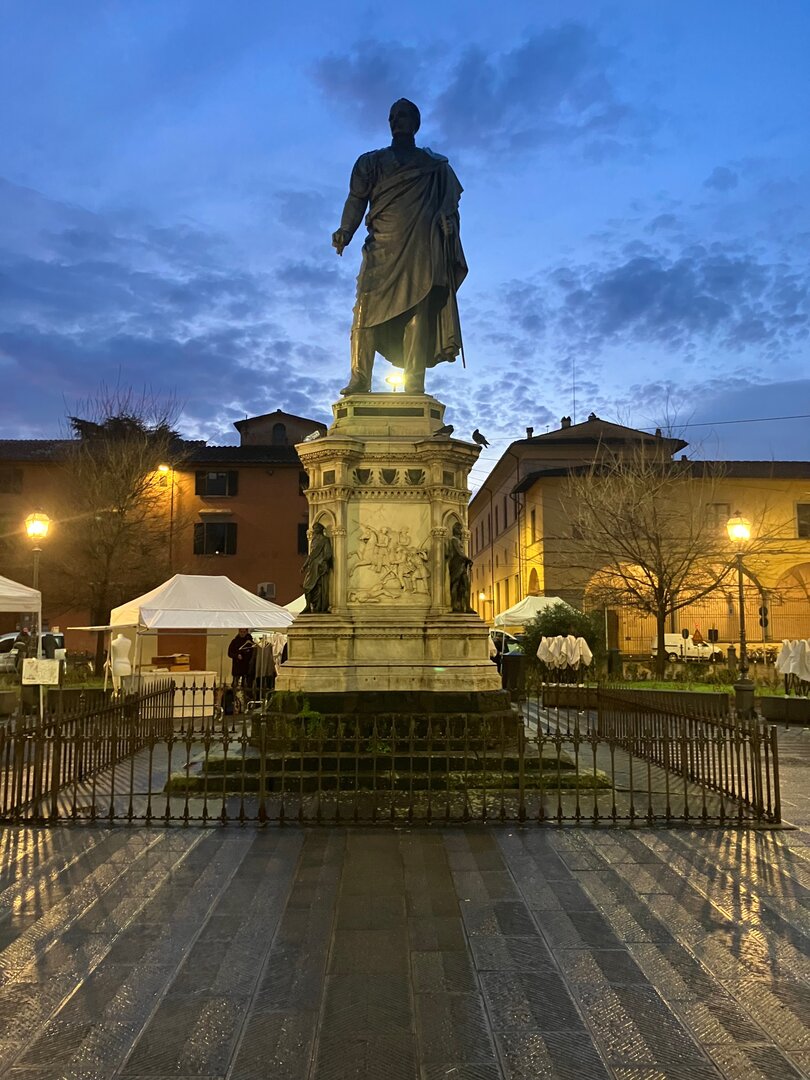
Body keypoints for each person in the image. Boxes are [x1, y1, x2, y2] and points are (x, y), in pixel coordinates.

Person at [332, 98, 467, 395]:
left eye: (403, 115)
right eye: (392, 116)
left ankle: (414, 383)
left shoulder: (435, 166)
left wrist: (449, 223)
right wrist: (345, 229)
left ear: (415, 123)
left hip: (421, 246)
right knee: (364, 310)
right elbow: (356, 199)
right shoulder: (371, 162)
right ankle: (359, 379)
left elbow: (450, 205)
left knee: (417, 310)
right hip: (380, 246)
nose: (396, 120)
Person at [302, 522, 333, 613]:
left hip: (319, 566)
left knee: (319, 586)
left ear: (321, 529)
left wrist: (322, 562)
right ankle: (308, 605)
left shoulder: (325, 540)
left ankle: (318, 606)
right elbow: (311, 555)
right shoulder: (314, 540)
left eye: (316, 528)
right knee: (306, 586)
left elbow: (328, 553)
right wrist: (304, 566)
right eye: (314, 528)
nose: (314, 530)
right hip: (312, 566)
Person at [445, 522, 474, 613]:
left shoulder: (458, 541)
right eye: (459, 529)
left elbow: (461, 553)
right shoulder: (453, 540)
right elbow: (459, 552)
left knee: (466, 585)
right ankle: (454, 606)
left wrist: (467, 560)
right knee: (456, 584)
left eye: (461, 529)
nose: (461, 531)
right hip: (456, 564)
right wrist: (468, 559)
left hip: (462, 564)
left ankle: (467, 607)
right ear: (456, 530)